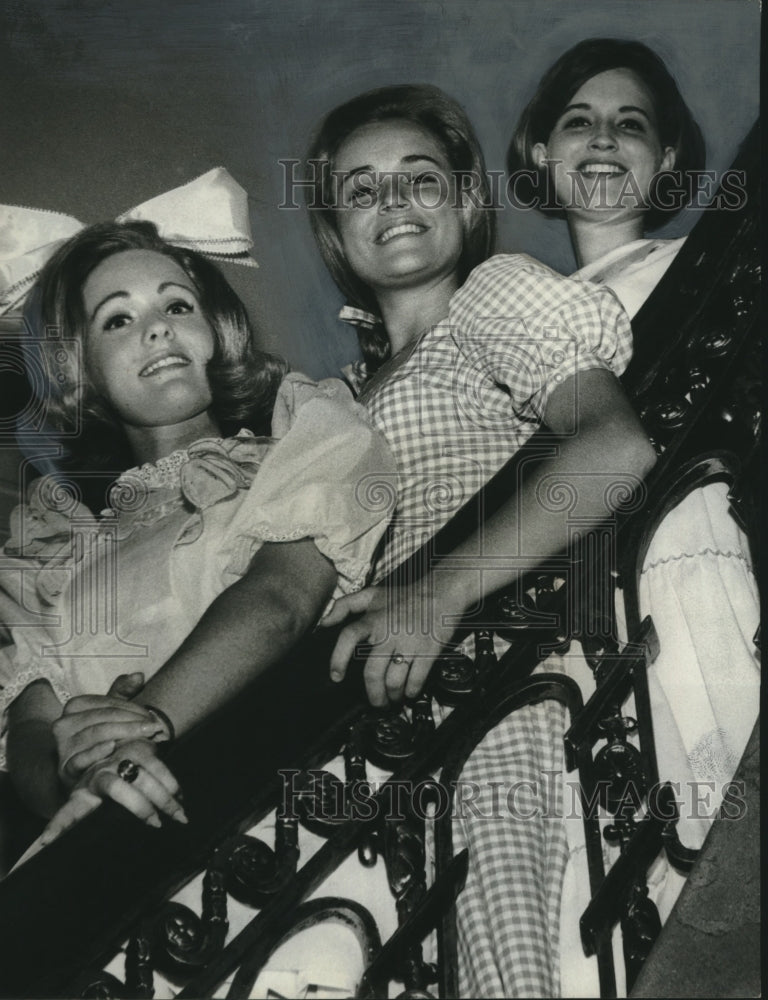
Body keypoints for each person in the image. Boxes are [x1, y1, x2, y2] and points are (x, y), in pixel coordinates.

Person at [305, 84, 657, 997]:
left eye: (422, 179)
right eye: (362, 190)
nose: (395, 203)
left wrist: (441, 590)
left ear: (466, 201)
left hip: (499, 664)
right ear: (334, 234)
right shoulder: (335, 401)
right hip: (389, 721)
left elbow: (615, 446)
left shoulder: (488, 300)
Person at [0, 220, 395, 867]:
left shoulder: (305, 440)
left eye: (176, 305)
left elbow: (280, 600)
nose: (156, 328)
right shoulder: (56, 548)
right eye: (117, 320)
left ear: (213, 331)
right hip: (93, 856)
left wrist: (147, 727)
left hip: (275, 813)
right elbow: (30, 728)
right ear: (82, 370)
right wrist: (73, 771)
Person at [507, 38, 760, 992]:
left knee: (723, 883)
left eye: (632, 124)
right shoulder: (525, 321)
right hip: (575, 643)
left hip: (687, 580)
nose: (604, 137)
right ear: (540, 155)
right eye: (578, 119)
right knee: (614, 919)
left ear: (665, 161)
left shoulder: (699, 277)